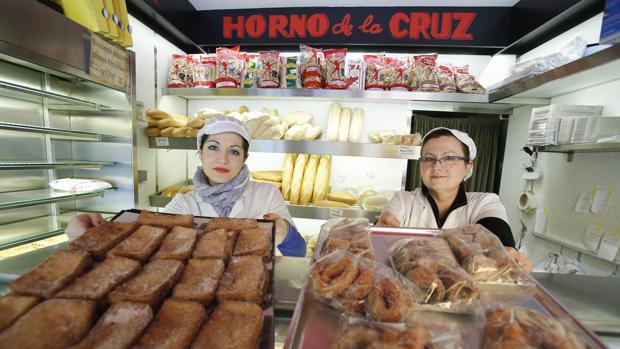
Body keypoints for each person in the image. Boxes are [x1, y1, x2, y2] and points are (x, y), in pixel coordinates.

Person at [66, 115, 306, 257]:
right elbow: (144, 242)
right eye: (213, 147)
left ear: (244, 158)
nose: (222, 159)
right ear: (199, 153)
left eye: (234, 151)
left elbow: (299, 253)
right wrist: (95, 236)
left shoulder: (266, 194)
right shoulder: (183, 204)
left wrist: (285, 232)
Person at [378, 127, 532, 270]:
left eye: (449, 158)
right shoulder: (404, 201)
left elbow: (496, 237)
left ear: (469, 166)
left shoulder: (484, 202)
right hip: (408, 288)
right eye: (429, 158)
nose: (437, 166)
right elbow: (382, 239)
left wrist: (504, 251)